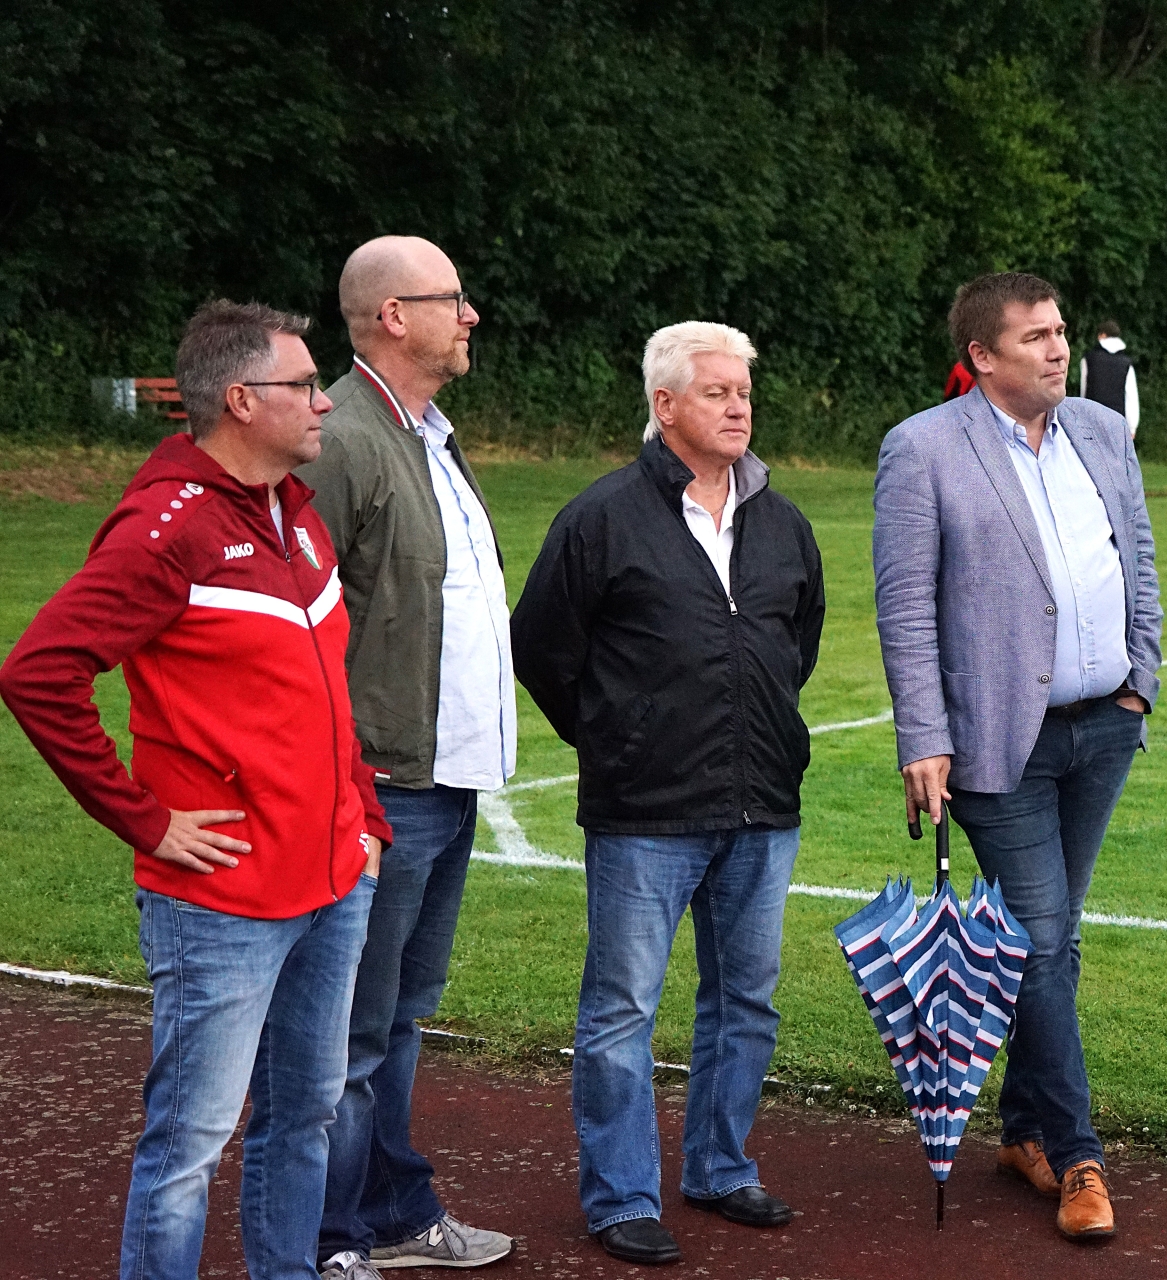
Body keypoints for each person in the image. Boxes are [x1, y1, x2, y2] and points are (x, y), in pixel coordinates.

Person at [0, 300, 392, 1280]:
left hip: (334, 878)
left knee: (305, 1115)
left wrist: (365, 818)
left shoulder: (296, 513)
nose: (323, 403)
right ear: (241, 399)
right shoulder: (164, 530)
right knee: (189, 1145)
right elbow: (39, 671)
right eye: (305, 385)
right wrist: (142, 817)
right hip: (223, 898)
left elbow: (325, 687)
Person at [513, 322, 825, 1268]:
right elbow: (542, 648)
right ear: (665, 405)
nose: (738, 407)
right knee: (621, 1012)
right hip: (644, 814)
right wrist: (619, 736)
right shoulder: (602, 517)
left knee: (747, 1002)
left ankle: (721, 1169)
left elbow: (797, 644)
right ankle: (621, 1197)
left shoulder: (782, 521)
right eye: (717, 392)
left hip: (761, 805)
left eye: (744, 392)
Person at [873, 272, 1162, 1241]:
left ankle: (1024, 1129)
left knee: (1054, 939)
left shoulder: (1102, 432)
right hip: (1001, 740)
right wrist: (924, 735)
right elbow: (906, 606)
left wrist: (1141, 679)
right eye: (1035, 336)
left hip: (1105, 726)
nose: (1058, 348)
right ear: (983, 356)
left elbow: (1138, 558)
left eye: (1061, 330)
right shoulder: (923, 448)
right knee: (1040, 940)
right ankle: (1079, 1155)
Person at [296, 236, 516, 1277]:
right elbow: (298, 622)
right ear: (394, 316)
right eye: (451, 299)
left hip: (444, 778)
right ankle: (330, 1238)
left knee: (397, 1018)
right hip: (383, 786)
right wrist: (347, 776)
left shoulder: (428, 435)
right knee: (351, 1029)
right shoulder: (342, 438)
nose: (470, 315)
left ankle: (389, 1213)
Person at [1077, 318, 1141, 438]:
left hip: (1092, 420)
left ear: (1103, 335)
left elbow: (1083, 391)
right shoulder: (1126, 363)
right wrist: (1132, 427)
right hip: (1117, 422)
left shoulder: (1089, 359)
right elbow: (1131, 397)